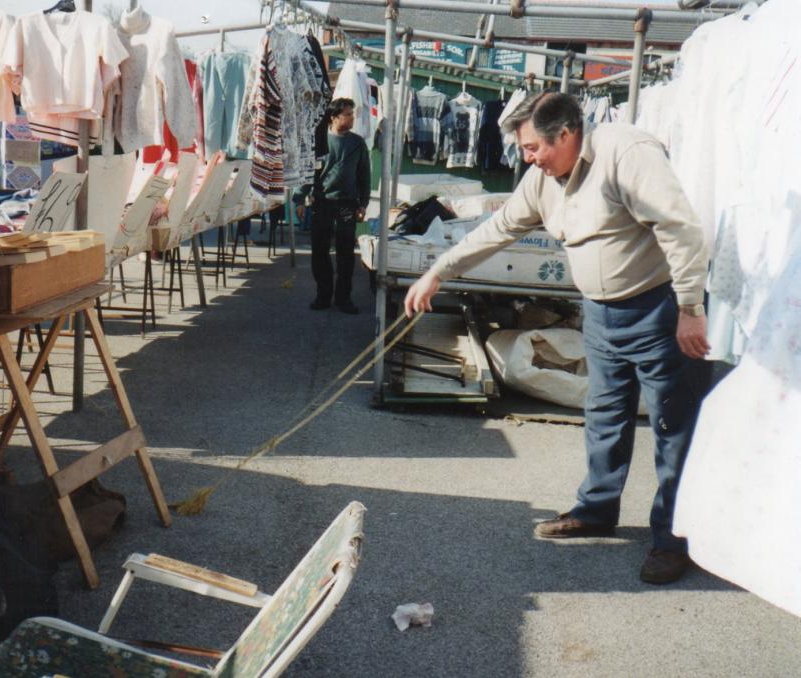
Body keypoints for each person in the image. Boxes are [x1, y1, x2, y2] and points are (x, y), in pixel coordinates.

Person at [405, 92, 710, 585]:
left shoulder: (626, 153)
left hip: (659, 307)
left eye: (532, 149)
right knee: (604, 416)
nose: (527, 159)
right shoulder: (542, 180)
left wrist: (691, 309)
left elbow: (681, 231)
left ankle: (675, 540)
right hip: (600, 314)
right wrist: (439, 271)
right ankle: (596, 509)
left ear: (566, 135)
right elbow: (498, 228)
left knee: (674, 429)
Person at [296, 97, 370, 315]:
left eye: (352, 114)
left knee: (346, 254)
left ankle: (343, 299)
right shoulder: (320, 142)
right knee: (320, 252)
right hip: (322, 203)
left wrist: (363, 204)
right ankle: (323, 295)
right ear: (334, 117)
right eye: (348, 114)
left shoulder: (357, 143)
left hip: (347, 204)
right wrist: (300, 199)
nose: (352, 118)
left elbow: (364, 175)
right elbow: (309, 173)